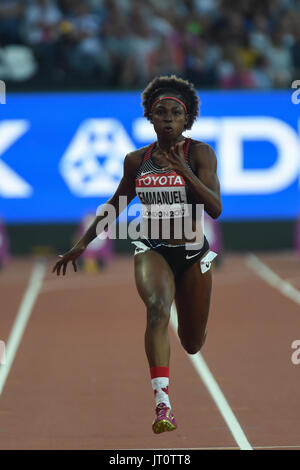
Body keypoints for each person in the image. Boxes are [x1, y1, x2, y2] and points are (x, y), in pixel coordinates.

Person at [52, 75, 222, 434]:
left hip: (193, 253)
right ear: (150, 117)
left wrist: (183, 172)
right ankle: (163, 406)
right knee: (158, 310)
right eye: (160, 112)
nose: (167, 118)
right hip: (153, 250)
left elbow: (215, 208)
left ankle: (186, 349)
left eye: (176, 112)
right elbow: (115, 205)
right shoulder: (137, 161)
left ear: (186, 119)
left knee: (192, 343)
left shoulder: (201, 153)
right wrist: (82, 245)